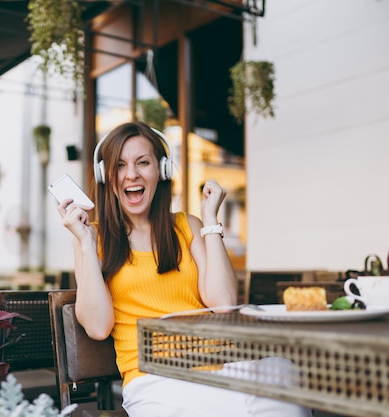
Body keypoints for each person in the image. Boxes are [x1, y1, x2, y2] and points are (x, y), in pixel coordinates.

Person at [55, 121, 311, 417]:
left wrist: (210, 219)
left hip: (221, 366)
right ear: (106, 176)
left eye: (143, 162)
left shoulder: (187, 226)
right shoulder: (93, 238)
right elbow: (98, 327)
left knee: (283, 375)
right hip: (153, 380)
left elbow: (224, 303)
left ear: (162, 171)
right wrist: (86, 243)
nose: (132, 174)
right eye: (120, 165)